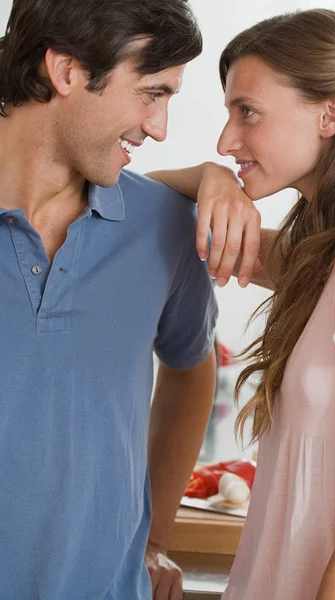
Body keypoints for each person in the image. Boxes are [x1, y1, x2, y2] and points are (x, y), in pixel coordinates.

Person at [147, 8, 335, 599]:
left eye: (248, 112)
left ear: (331, 113)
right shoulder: (325, 253)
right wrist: (211, 177)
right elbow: (131, 211)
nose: (226, 139)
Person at [0, 1, 220, 599]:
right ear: (66, 71)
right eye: (151, 92)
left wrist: (154, 540)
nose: (159, 127)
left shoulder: (166, 228)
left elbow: (191, 373)